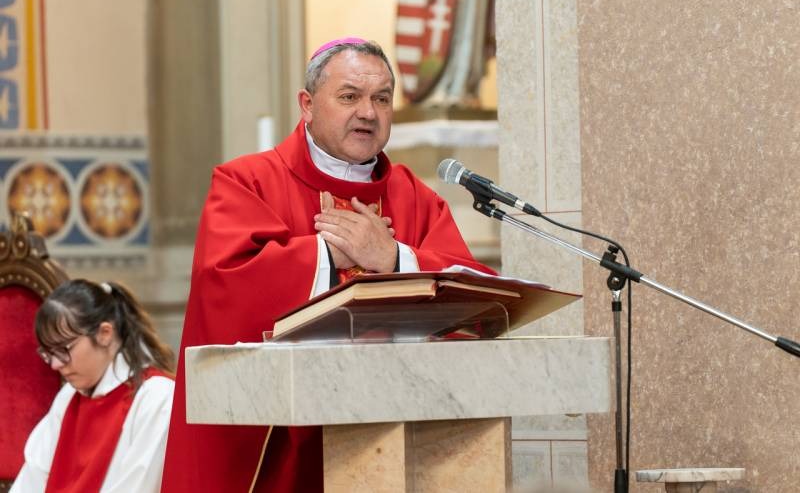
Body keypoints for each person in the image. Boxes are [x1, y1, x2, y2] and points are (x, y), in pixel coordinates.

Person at [160, 37, 495, 492]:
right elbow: (222, 284)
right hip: (282, 444)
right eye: (349, 96)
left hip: (397, 434)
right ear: (307, 105)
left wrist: (392, 258)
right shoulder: (247, 182)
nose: (368, 113)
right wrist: (327, 253)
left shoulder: (414, 196)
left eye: (382, 99)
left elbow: (475, 299)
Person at [11, 280, 175, 493]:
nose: (55, 364)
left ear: (105, 333)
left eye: (63, 349)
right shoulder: (69, 396)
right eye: (49, 353)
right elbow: (31, 481)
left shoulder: (156, 397)